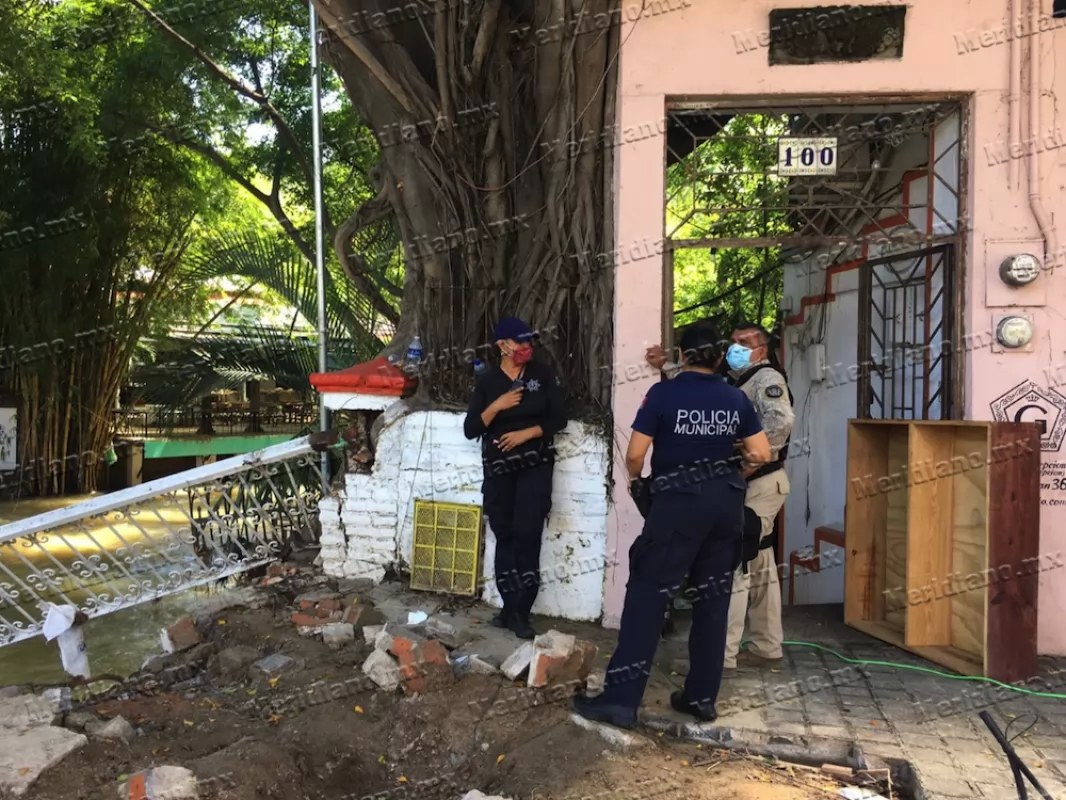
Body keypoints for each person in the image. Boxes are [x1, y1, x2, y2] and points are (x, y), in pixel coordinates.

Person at [572, 323, 771, 729]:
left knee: (647, 599)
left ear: (682, 355)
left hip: (677, 508)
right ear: (719, 358)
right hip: (725, 509)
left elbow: (635, 452)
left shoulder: (664, 393)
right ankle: (700, 699)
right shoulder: (735, 398)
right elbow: (761, 452)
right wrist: (730, 474)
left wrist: (635, 481)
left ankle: (619, 702)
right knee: (712, 604)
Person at [646, 320, 795, 670]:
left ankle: (722, 656)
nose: (736, 347)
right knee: (759, 562)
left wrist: (748, 463)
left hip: (759, 482)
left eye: (745, 342)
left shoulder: (767, 379)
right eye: (733, 342)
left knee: (735, 561)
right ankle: (766, 646)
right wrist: (665, 367)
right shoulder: (736, 379)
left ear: (761, 349)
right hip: (751, 483)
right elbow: (697, 380)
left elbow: (780, 423)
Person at [464, 316, 567, 640]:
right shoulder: (489, 380)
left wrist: (527, 434)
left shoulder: (541, 374)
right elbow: (471, 429)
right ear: (502, 345)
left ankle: (522, 612)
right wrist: (497, 405)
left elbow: (559, 418)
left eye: (529, 342)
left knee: (527, 535)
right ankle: (508, 609)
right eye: (520, 342)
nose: (527, 348)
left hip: (535, 466)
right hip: (499, 471)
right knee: (504, 535)